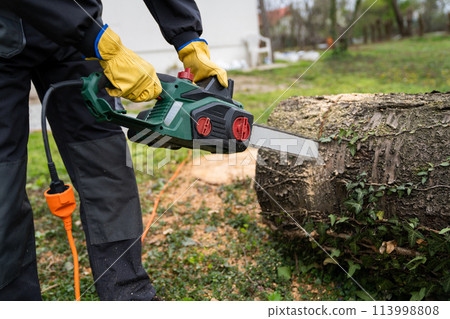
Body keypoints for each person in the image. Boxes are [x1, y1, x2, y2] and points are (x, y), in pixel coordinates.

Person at [0, 0, 227, 300]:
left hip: (73, 38)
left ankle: (128, 292)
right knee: (4, 180)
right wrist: (97, 38)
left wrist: (188, 38)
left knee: (105, 157)